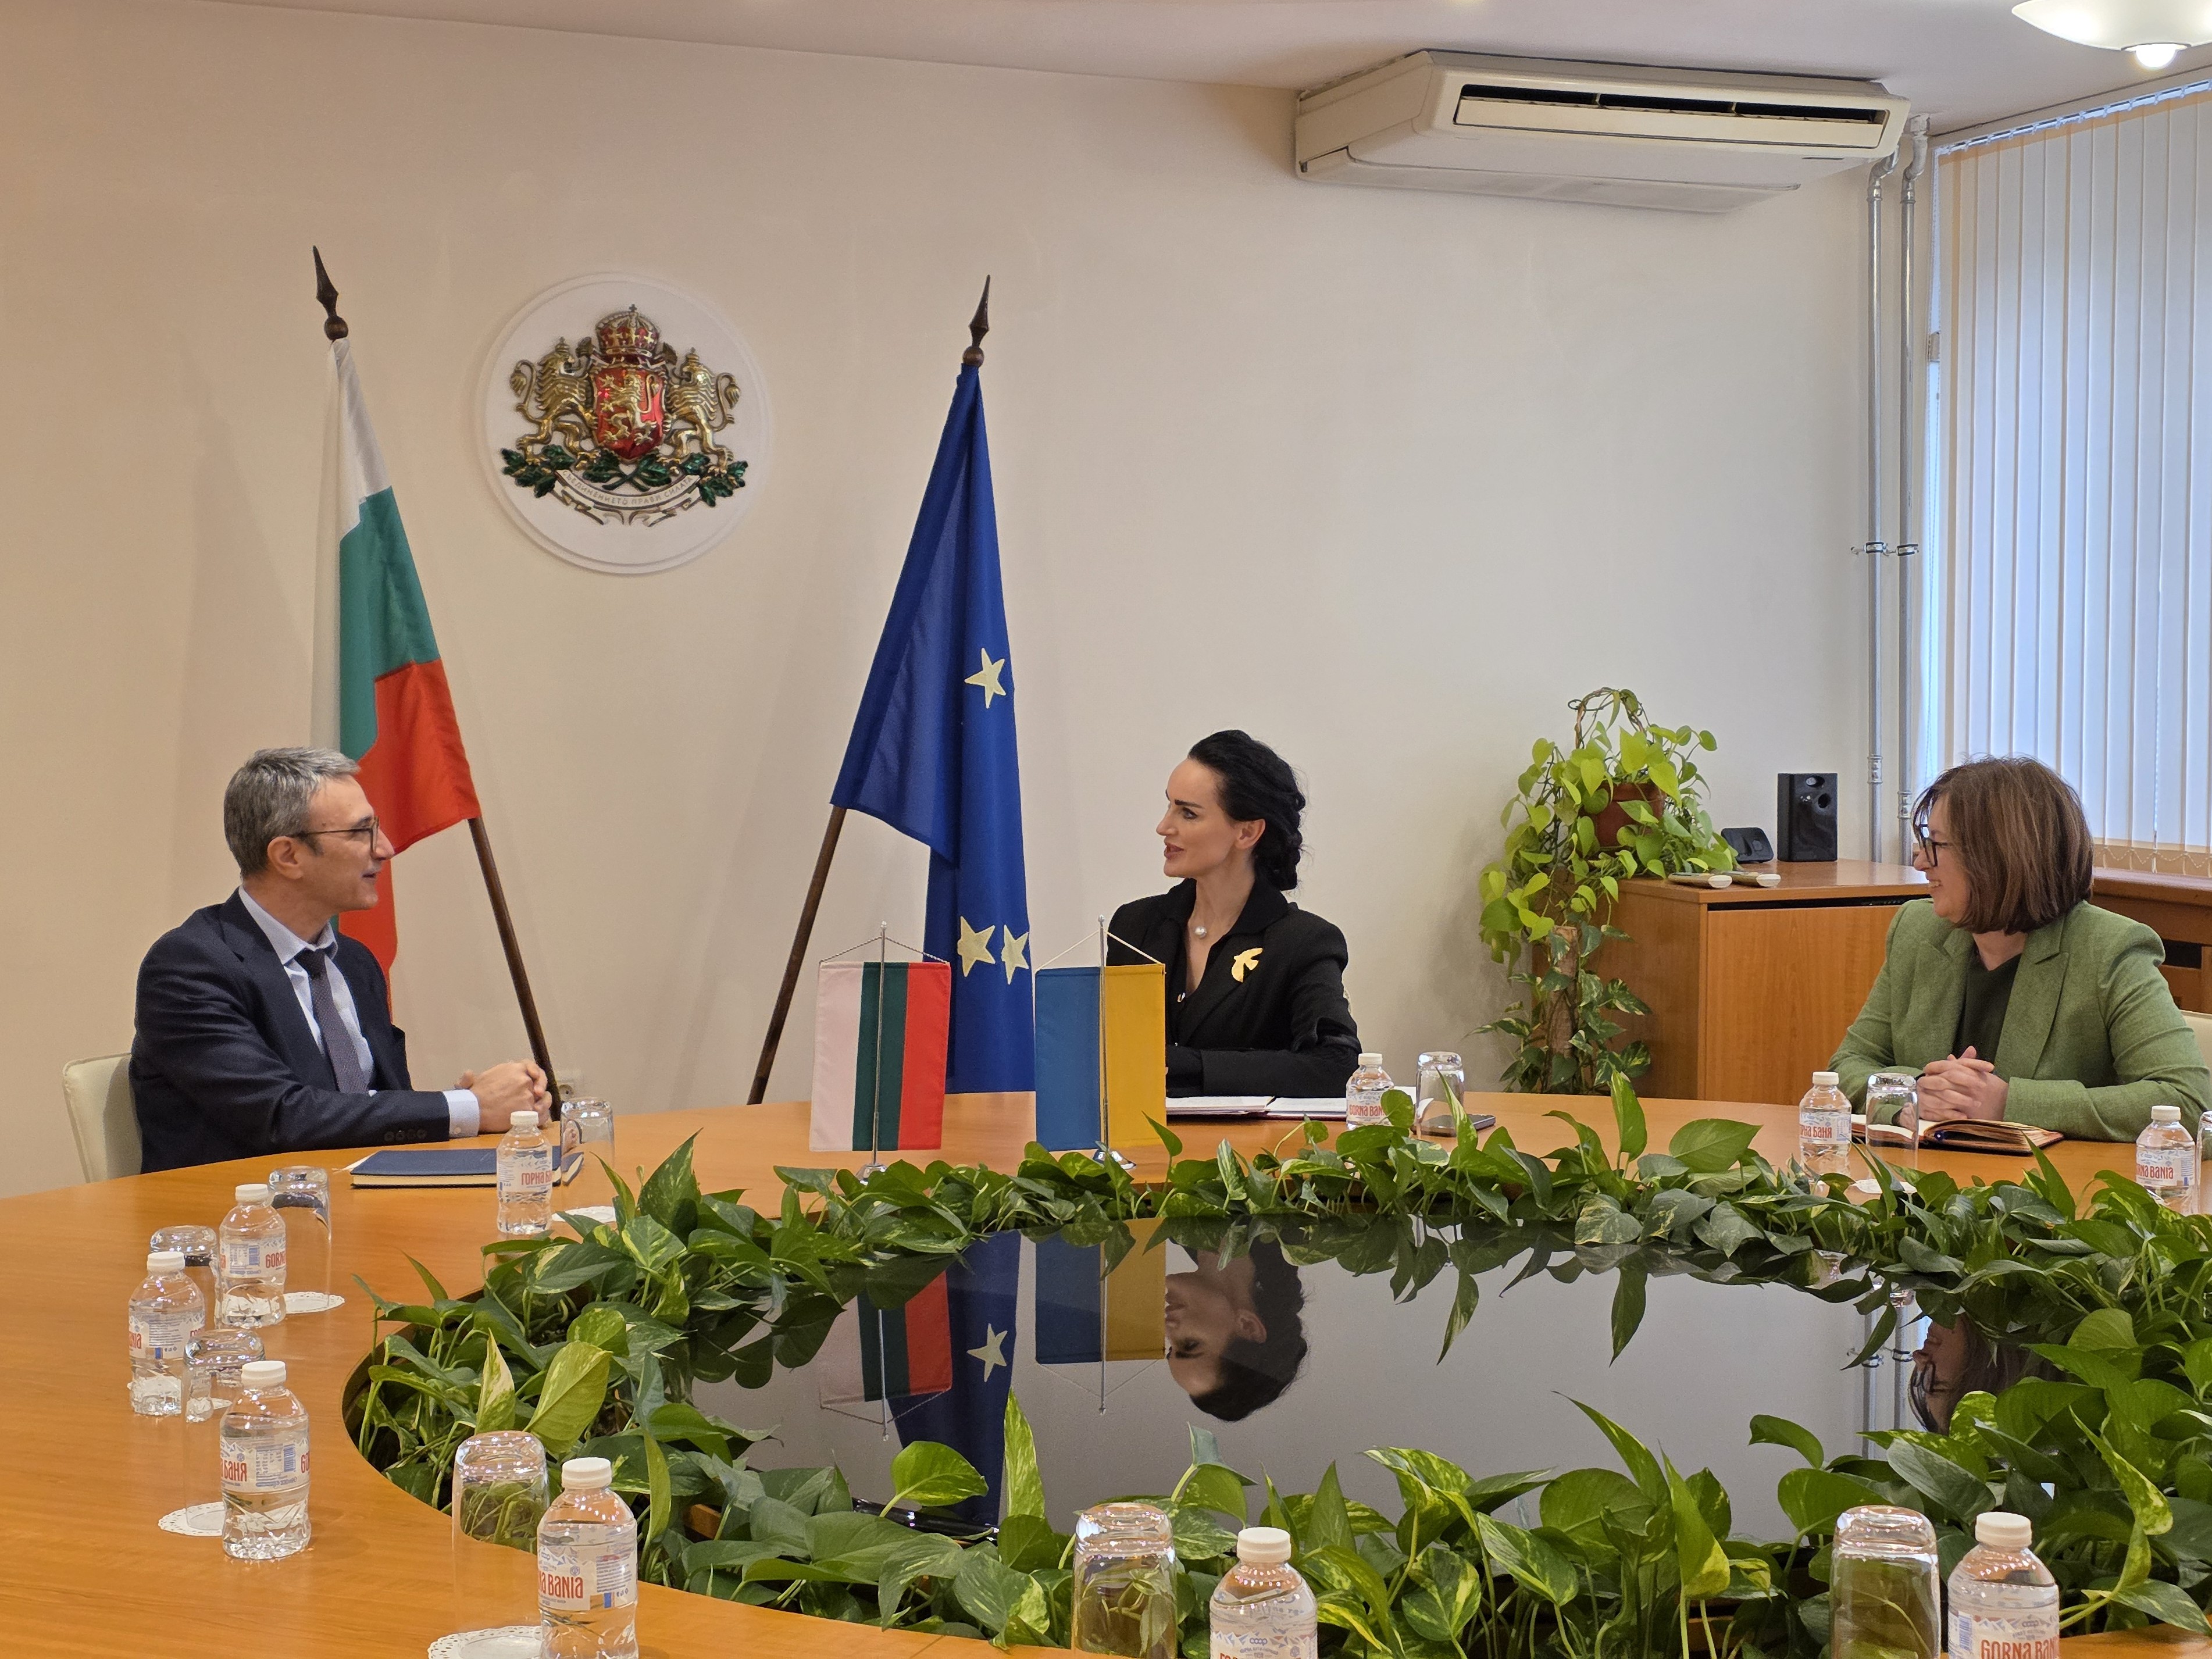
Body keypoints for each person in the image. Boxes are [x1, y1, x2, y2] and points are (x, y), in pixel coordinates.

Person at [131, 747, 549, 1173]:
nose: (385, 849)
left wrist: (489, 1107)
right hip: (239, 1208)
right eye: (361, 832)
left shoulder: (353, 961)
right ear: (288, 856)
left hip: (367, 1196)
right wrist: (468, 1107)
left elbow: (370, 1103)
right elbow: (282, 1117)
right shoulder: (190, 967)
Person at [1832, 755, 2209, 1141]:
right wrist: (1915, 1096)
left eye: (1937, 844)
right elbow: (1845, 1068)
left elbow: (2189, 1101)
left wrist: (2009, 1104)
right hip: (1923, 1175)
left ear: (1998, 856)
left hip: (2054, 1179)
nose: (1920, 860)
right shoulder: (1917, 930)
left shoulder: (2109, 949)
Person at [1108, 731, 1361, 1098]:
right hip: (1139, 1133)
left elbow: (1337, 1066)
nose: (1164, 827)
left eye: (1188, 813)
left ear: (1247, 832)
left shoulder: (1304, 942)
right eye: (1169, 806)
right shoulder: (1134, 926)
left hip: (1254, 1137)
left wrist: (1192, 1066)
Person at [1164, 1239, 1308, 1421]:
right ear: (1248, 1326)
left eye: (1172, 1347)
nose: (1168, 1327)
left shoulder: (1176, 1232)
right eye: (1191, 1344)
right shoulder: (1290, 1230)